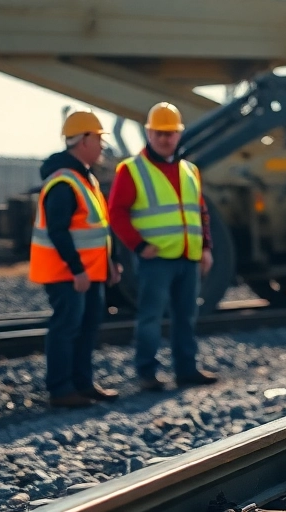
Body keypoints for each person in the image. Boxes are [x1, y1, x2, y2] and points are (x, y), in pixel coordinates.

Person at [108, 102, 218, 391]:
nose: (164, 139)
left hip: (188, 257)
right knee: (150, 318)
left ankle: (186, 370)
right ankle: (147, 373)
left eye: (170, 133)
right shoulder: (131, 170)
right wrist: (138, 245)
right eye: (159, 133)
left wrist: (205, 248)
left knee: (186, 317)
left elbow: (200, 211)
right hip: (155, 259)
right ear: (148, 133)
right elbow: (116, 213)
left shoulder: (190, 170)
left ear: (179, 134)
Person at [30, 110, 122, 408]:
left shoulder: (86, 179)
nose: (102, 146)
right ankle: (61, 390)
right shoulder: (63, 183)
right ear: (83, 140)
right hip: (68, 274)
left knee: (87, 328)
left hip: (90, 273)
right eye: (99, 139)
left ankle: (82, 384)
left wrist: (111, 263)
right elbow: (58, 232)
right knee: (66, 328)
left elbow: (99, 228)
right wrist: (78, 269)